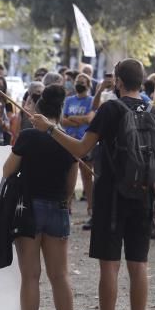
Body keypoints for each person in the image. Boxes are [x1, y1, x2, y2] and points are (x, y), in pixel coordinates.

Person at [31, 59, 155, 310]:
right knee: (139, 266)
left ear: (118, 81)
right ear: (142, 81)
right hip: (145, 197)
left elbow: (82, 150)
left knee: (109, 266)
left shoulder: (111, 109)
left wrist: (50, 129)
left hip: (111, 197)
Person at [4, 84, 81, 310]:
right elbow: (71, 185)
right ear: (61, 110)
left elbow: (7, 170)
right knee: (60, 276)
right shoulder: (69, 141)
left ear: (38, 109)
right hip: (57, 208)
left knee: (30, 276)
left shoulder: (27, 138)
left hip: (28, 210)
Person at [61, 72, 95, 219]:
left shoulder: (92, 100)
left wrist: (73, 118)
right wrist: (80, 120)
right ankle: (67, 205)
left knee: (87, 175)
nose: (79, 83)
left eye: (82, 81)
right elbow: (63, 120)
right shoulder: (68, 100)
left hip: (84, 140)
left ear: (88, 85)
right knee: (67, 173)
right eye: (77, 81)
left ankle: (91, 206)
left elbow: (90, 119)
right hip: (69, 139)